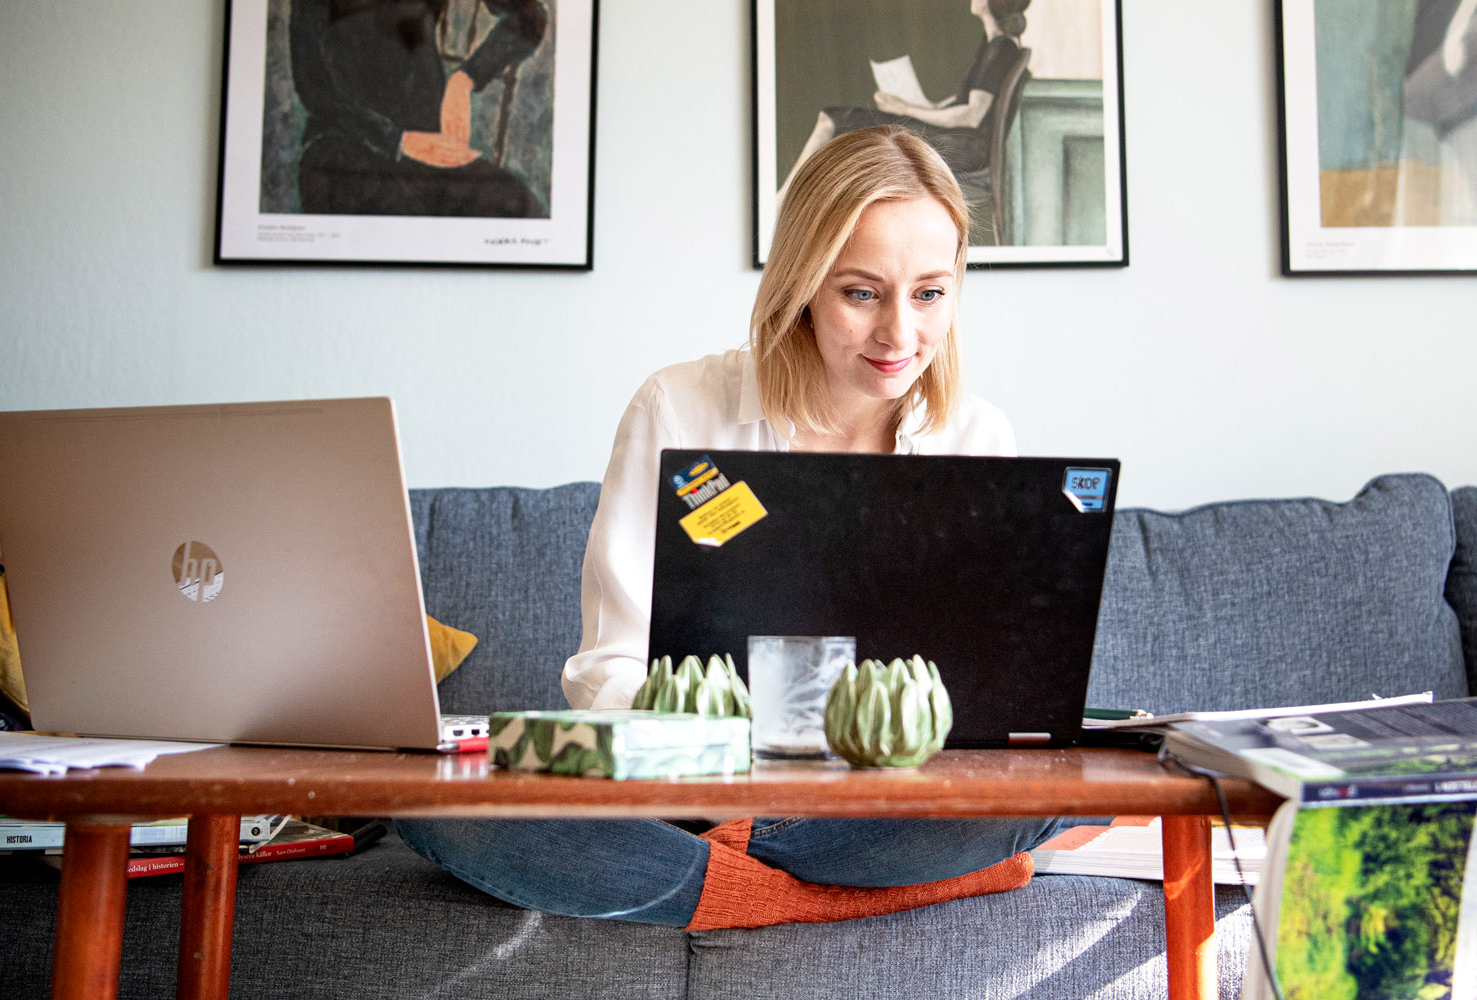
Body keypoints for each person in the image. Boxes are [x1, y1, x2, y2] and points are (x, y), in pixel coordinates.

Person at [393, 127, 1065, 929]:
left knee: (1061, 789)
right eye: (861, 292)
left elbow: (992, 702)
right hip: (689, 801)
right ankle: (819, 879)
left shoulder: (977, 436)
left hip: (885, 808)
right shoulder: (679, 406)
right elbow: (608, 670)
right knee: (425, 804)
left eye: (929, 293)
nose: (899, 334)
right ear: (802, 284)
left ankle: (727, 887)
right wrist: (711, 759)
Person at [288, 0, 547, 218]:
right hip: (344, 149)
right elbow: (313, 86)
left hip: (432, 151)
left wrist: (466, 79)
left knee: (521, 210)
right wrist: (398, 140)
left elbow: (530, 16)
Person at [777, 0, 1032, 202]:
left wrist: (904, 108)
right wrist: (915, 105)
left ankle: (783, 203)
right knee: (835, 120)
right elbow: (958, 104)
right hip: (958, 138)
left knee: (832, 120)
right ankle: (790, 201)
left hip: (962, 147)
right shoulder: (993, 45)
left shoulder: (1001, 49)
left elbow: (971, 115)